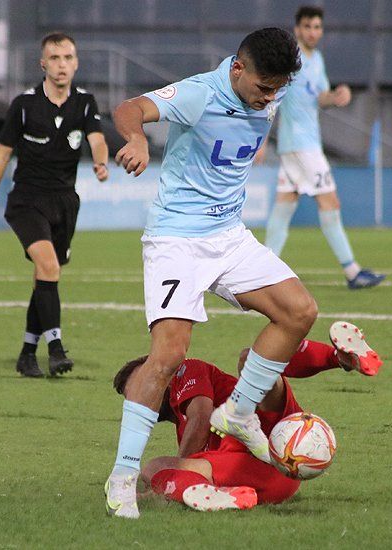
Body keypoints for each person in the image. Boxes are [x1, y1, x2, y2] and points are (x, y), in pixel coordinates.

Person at [106, 27, 316, 519]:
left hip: (229, 236)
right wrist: (137, 137)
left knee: (299, 311)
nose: (270, 98)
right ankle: (121, 476)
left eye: (278, 89)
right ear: (237, 69)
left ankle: (240, 413)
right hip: (177, 239)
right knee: (169, 355)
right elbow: (130, 107)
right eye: (265, 87)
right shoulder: (201, 93)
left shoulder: (267, 94)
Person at [112, 322, 382, 511]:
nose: (138, 396)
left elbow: (202, 414)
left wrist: (180, 466)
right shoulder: (181, 429)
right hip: (275, 479)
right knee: (156, 469)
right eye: (130, 395)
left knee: (252, 361)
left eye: (139, 384)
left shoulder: (185, 371)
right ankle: (219, 497)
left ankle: (339, 358)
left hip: (269, 427)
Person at [0, 32, 109, 378]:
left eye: (67, 58)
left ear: (76, 63)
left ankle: (26, 353)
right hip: (26, 201)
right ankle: (56, 348)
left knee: (45, 277)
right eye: (54, 58)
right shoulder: (24, 105)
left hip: (65, 204)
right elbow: (1, 156)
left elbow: (97, 139)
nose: (62, 65)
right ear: (43, 64)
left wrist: (100, 162)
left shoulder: (85, 103)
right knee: (49, 268)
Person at [262, 5, 385, 290]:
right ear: (297, 29)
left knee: (283, 209)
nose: (313, 32)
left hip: (301, 146)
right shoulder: (289, 61)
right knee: (330, 203)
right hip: (302, 146)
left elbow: (320, 98)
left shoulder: (316, 59)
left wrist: (337, 95)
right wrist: (263, 138)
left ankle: (263, 274)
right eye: (308, 27)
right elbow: (272, 97)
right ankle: (353, 272)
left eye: (317, 27)